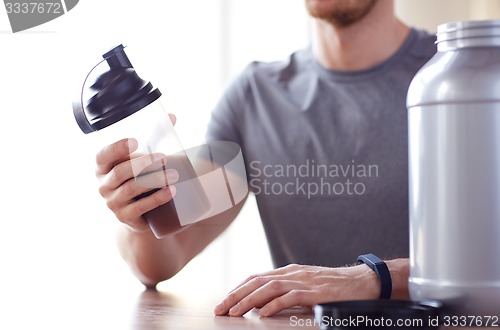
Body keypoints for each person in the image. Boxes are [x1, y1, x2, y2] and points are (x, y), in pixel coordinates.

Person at [95, 0, 436, 318]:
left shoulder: (464, 75)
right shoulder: (256, 97)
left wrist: (375, 279)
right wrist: (140, 210)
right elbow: (162, 259)